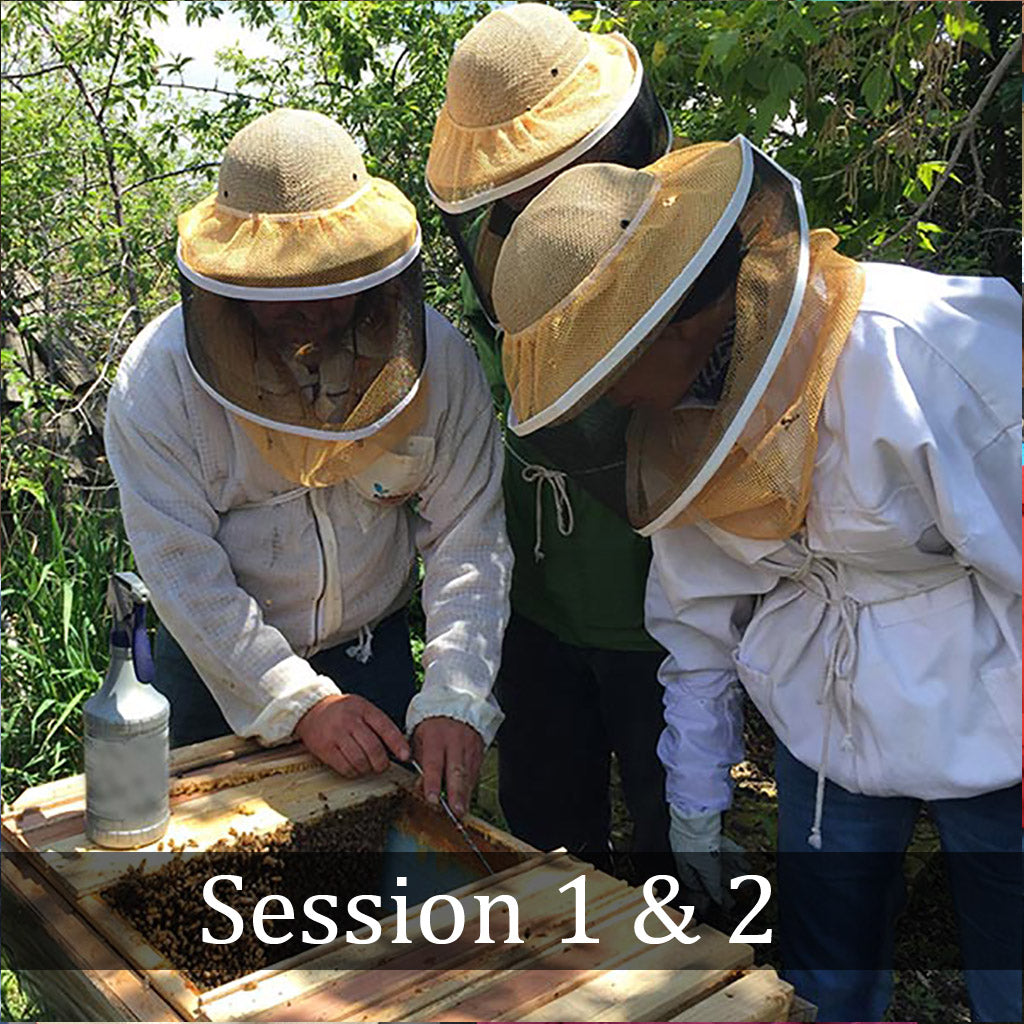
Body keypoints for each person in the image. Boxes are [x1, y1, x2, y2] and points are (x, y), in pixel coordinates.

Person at [488, 137, 1022, 1021]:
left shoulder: (920, 349)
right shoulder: (679, 427)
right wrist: (695, 805)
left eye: (610, 370)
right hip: (826, 720)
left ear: (679, 322)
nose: (607, 399)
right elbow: (696, 624)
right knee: (823, 976)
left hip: (1001, 708)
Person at [104, 108, 512, 817]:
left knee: (378, 898)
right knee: (207, 896)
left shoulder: (436, 360)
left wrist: (456, 693)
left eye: (325, 279)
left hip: (371, 654)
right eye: (277, 286)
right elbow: (180, 566)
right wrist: (293, 699)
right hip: (213, 667)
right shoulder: (158, 382)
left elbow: (468, 536)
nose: (306, 309)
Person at [425, 1, 674, 863]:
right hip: (537, 605)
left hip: (667, 614)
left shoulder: (679, 230)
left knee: (678, 849)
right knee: (542, 851)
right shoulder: (493, 261)